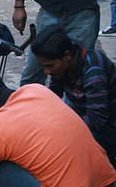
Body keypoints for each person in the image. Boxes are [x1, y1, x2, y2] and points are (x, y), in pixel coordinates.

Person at [30, 24, 116, 159]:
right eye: (44, 67)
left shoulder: (93, 70)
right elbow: (53, 97)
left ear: (67, 56)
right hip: (86, 116)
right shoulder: (62, 68)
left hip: (108, 127)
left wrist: (58, 127)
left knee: (63, 146)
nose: (46, 72)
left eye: (49, 66)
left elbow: (96, 121)